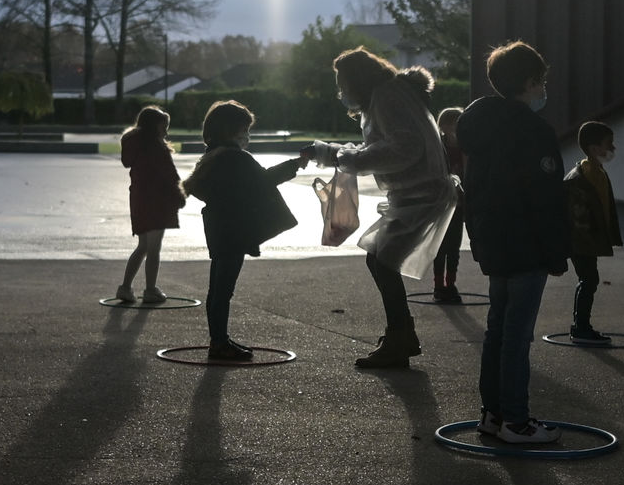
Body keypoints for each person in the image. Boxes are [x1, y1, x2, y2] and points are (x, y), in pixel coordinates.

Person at [305, 48, 457, 369]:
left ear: (358, 80)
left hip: (420, 195)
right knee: (378, 259)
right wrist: (329, 153)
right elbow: (383, 145)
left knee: (383, 262)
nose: (342, 92)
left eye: (343, 84)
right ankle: (401, 334)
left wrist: (347, 159)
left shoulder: (388, 97)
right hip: (413, 195)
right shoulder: (387, 96)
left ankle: (400, 337)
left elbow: (404, 147)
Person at [456, 40, 569, 444]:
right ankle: (516, 421)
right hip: (526, 244)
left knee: (498, 331)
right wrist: (556, 251)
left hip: (494, 241)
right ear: (529, 82)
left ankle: (493, 413)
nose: (543, 89)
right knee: (517, 336)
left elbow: (474, 189)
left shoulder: (479, 127)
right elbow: (545, 198)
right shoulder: (534, 131)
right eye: (541, 81)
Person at [183, 100, 305, 360]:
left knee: (217, 288)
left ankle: (218, 339)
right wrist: (296, 164)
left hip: (218, 229)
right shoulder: (236, 158)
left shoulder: (213, 156)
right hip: (233, 231)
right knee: (223, 290)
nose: (247, 136)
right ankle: (219, 343)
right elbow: (264, 179)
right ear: (231, 130)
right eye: (244, 130)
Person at [116, 105, 185, 303]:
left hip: (139, 199)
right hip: (157, 201)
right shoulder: (156, 147)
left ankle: (125, 287)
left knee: (143, 246)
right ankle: (150, 289)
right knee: (154, 248)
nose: (166, 132)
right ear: (154, 126)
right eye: (164, 127)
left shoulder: (134, 144)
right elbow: (169, 174)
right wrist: (180, 195)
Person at [564, 120, 623, 344]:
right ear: (594, 148)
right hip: (582, 241)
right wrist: (586, 241)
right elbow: (577, 216)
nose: (613, 148)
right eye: (609, 144)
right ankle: (580, 328)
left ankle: (581, 326)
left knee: (589, 280)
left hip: (588, 240)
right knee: (589, 280)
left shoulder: (597, 172)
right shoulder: (582, 177)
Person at [431, 106, 467, 303]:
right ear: (444, 126)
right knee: (440, 246)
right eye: (454, 123)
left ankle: (450, 283)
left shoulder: (465, 146)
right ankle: (438, 285)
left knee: (454, 247)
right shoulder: (438, 147)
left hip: (459, 203)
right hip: (442, 204)